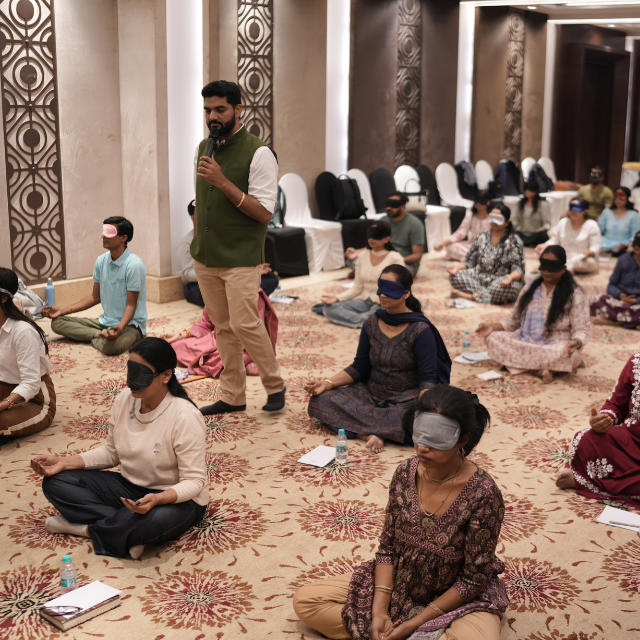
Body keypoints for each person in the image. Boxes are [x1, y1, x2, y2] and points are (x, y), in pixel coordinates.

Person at [293, 385, 509, 640]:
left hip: (455, 595)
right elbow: (387, 548)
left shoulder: (483, 494)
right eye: (419, 436)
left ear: (463, 439)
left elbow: (473, 579)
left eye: (436, 439)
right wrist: (378, 612)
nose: (422, 448)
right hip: (401, 581)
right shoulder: (405, 472)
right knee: (307, 601)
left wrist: (411, 625)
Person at [31, 337, 208, 559]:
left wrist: (159, 499)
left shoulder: (185, 416)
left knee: (156, 521)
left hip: (175, 497)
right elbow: (112, 452)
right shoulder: (126, 398)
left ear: (166, 375)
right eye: (130, 371)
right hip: (129, 488)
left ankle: (85, 529)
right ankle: (125, 529)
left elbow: (195, 481)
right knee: (57, 482)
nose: (131, 383)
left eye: (141, 374)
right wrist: (64, 462)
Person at [191, 80, 284, 414]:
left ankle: (275, 385)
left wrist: (222, 181)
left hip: (241, 257)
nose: (212, 117)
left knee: (245, 323)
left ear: (238, 109)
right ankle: (233, 396)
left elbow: (264, 212)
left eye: (220, 109)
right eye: (207, 110)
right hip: (206, 256)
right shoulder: (204, 147)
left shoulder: (259, 153)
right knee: (223, 327)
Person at [305, 265, 451, 454]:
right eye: (381, 288)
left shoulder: (420, 330)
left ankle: (364, 428)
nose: (382, 294)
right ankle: (370, 435)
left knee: (419, 421)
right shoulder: (371, 323)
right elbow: (359, 367)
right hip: (370, 393)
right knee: (321, 400)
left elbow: (428, 378)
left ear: (406, 293)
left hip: (405, 400)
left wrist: (426, 408)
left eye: (390, 289)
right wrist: (327, 383)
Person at [476, 246, 589, 384]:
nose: (546, 271)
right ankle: (541, 369)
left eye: (552, 268)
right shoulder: (531, 286)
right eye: (544, 267)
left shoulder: (575, 295)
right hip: (526, 341)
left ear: (563, 268)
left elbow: (581, 330)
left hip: (555, 345)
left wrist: (575, 343)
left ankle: (520, 365)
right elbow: (513, 320)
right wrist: (492, 327)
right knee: (493, 337)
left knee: (571, 355)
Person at [42, 217, 147, 356]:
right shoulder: (101, 261)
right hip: (105, 322)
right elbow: (94, 297)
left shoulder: (134, 265)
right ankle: (99, 335)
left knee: (110, 348)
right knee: (57, 323)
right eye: (103, 231)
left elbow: (131, 306)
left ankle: (93, 336)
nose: (103, 236)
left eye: (109, 232)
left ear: (124, 237)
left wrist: (120, 328)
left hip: (130, 325)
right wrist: (61, 311)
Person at [556, 353, 640, 509]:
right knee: (585, 440)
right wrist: (605, 419)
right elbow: (616, 405)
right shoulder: (636, 362)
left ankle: (589, 482)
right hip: (630, 443)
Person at [179, 199, 279, 306]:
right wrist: (216, 272)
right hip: (197, 285)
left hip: (226, 279)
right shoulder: (187, 241)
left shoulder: (218, 236)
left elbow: (232, 260)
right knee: (212, 293)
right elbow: (187, 275)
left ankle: (238, 301)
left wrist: (254, 269)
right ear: (193, 217)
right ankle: (239, 301)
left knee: (271, 279)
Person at [165, 289, 278, 379]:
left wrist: (226, 346)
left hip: (244, 346)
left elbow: (254, 335)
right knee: (174, 346)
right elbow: (206, 322)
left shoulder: (252, 293)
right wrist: (180, 335)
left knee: (226, 359)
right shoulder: (216, 287)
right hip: (217, 340)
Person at [0, 267, 56, 437]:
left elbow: (31, 383)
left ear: (3, 298)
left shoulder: (23, 331)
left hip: (35, 400)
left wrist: (5, 404)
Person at [319, 222, 404, 329]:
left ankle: (370, 319)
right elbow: (357, 288)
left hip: (385, 304)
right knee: (329, 308)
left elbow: (403, 287)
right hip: (366, 301)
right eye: (370, 234)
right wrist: (337, 298)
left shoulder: (395, 258)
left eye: (376, 235)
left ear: (386, 239)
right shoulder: (362, 256)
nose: (371, 238)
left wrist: (390, 299)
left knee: (382, 311)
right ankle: (369, 321)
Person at [447, 203, 524, 305]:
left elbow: (518, 269)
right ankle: (490, 296)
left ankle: (470, 296)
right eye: (492, 217)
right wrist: (456, 267)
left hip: (502, 280)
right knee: (455, 276)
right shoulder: (481, 237)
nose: (494, 221)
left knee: (512, 287)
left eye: (498, 218)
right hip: (482, 276)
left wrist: (510, 278)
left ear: (507, 222)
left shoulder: (514, 241)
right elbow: (469, 261)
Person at [345, 193, 425, 278]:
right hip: (380, 257)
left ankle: (366, 273)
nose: (389, 208)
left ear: (403, 206)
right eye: (387, 204)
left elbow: (417, 256)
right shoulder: (383, 220)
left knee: (396, 272)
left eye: (393, 204)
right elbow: (374, 243)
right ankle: (371, 273)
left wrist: (394, 261)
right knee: (351, 261)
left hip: (403, 262)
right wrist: (357, 252)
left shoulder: (415, 224)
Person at [535, 197, 600, 274]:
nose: (573, 211)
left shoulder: (592, 225)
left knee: (590, 262)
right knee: (544, 252)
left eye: (577, 208)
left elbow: (596, 246)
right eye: (571, 207)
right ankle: (563, 268)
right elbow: (555, 240)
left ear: (584, 211)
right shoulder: (563, 222)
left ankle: (560, 268)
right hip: (562, 257)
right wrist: (545, 245)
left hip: (581, 258)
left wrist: (589, 252)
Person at [591, 231, 640, 330]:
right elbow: (612, 284)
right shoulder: (623, 259)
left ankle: (617, 321)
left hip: (637, 304)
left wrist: (636, 301)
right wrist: (620, 295)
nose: (637, 246)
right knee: (595, 300)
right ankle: (631, 322)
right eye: (636, 241)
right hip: (619, 302)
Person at [434, 192, 492, 261]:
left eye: (481, 201)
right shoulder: (470, 216)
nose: (478, 203)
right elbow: (460, 233)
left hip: (488, 246)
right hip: (472, 245)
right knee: (451, 247)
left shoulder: (492, 217)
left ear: (488, 202)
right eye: (477, 201)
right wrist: (443, 243)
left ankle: (475, 258)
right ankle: (475, 258)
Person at [597, 186, 640, 256]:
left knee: (621, 251)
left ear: (628, 198)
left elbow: (635, 234)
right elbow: (599, 229)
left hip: (624, 243)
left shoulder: (633, 215)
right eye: (616, 196)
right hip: (605, 242)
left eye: (621, 197)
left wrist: (629, 244)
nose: (618, 200)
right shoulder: (606, 211)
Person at [511, 180, 551, 247]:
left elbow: (547, 223)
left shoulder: (542, 204)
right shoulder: (520, 204)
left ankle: (530, 243)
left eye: (529, 189)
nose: (527, 191)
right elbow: (515, 221)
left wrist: (541, 229)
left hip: (536, 234)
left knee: (543, 236)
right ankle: (526, 243)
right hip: (522, 233)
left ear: (535, 191)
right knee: (513, 235)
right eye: (525, 189)